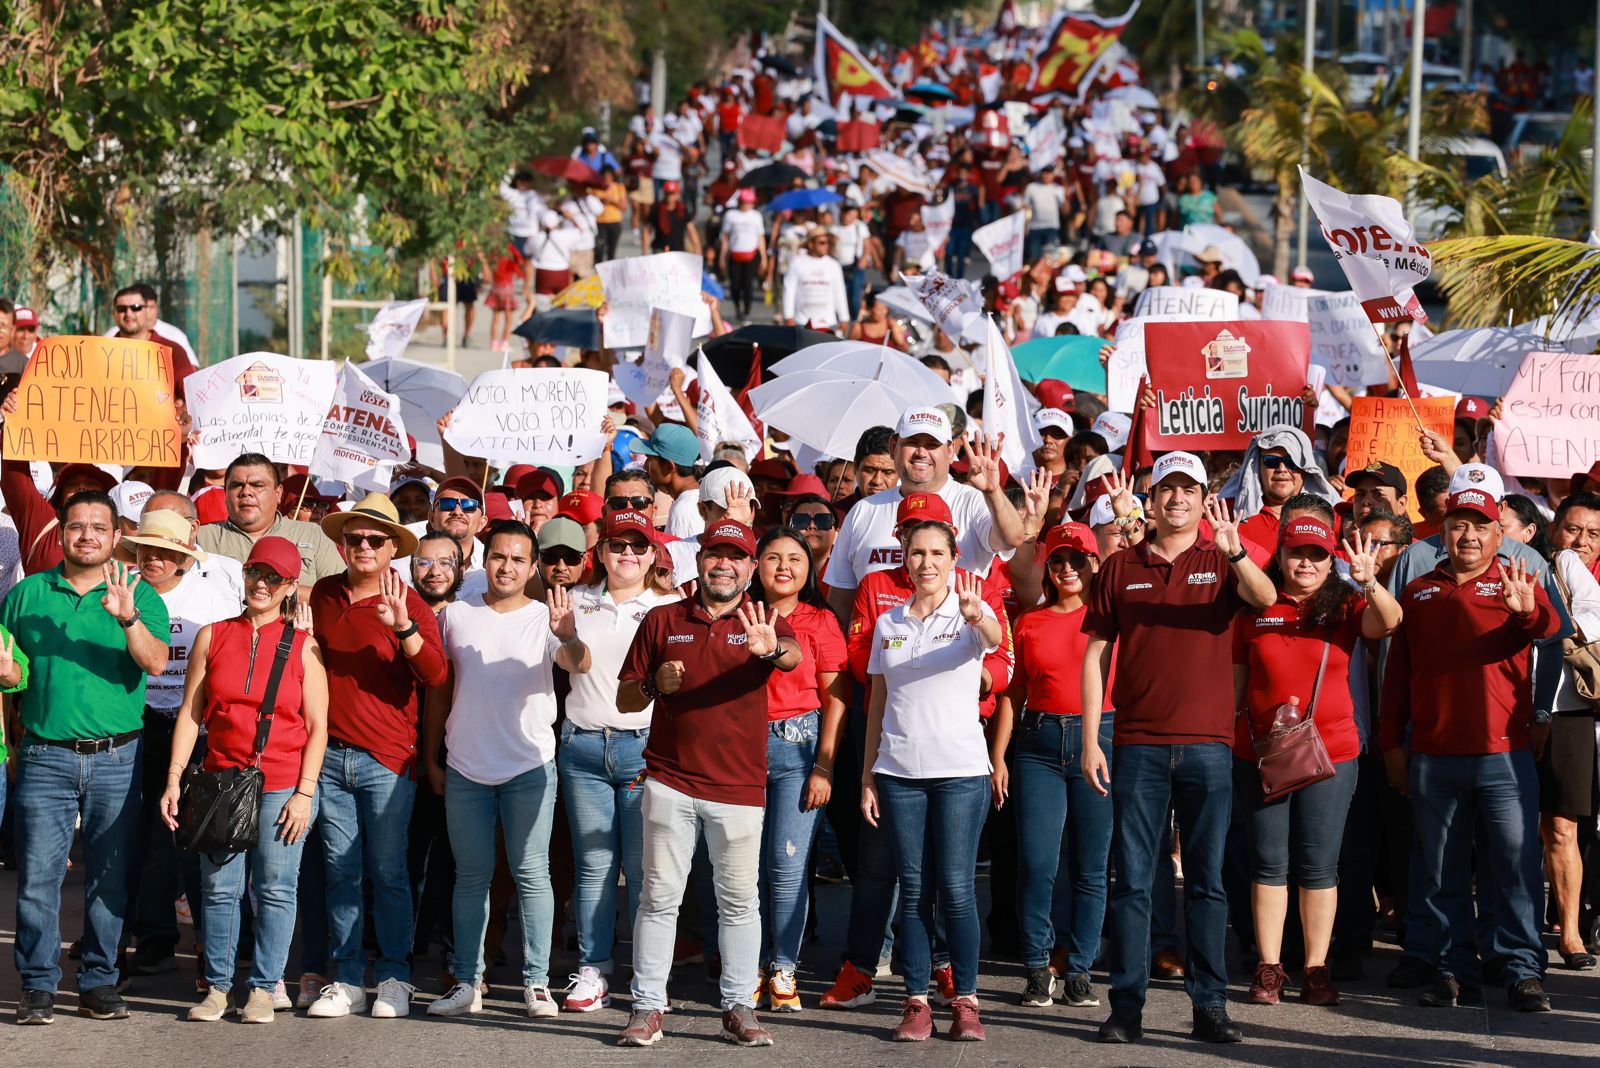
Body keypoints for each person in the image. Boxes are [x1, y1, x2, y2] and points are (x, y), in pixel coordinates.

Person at [1080, 452, 1275, 1045]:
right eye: (1167, 490)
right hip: (1136, 743)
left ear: (1202, 496)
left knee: (1209, 883)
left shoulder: (1221, 558)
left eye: (1189, 489)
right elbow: (1094, 656)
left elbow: (1266, 599)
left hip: (1209, 747)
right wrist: (1092, 737)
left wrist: (1235, 548)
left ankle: (1209, 1005)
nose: (1178, 500)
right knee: (1134, 882)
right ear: (1151, 498)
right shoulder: (1120, 566)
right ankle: (1126, 1007)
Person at [613, 521, 802, 1048]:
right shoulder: (661, 618)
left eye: (735, 556)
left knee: (740, 901)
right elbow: (626, 699)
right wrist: (654, 684)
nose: (724, 564)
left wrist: (768, 648)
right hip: (670, 781)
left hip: (739, 788)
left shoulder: (763, 618)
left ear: (749, 566)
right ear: (699, 561)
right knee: (657, 899)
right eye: (715, 555)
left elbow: (793, 657)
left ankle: (739, 1006)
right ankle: (647, 1007)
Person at [1382, 489, 1561, 1012]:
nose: (1469, 535)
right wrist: (1393, 745)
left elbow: (1548, 629)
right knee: (1441, 871)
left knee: (1516, 865)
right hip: (1434, 756)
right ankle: (1452, 969)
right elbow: (1398, 679)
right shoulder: (1417, 592)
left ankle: (1522, 970)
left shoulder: (1518, 583)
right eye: (1459, 525)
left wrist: (1527, 613)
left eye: (1480, 526)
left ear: (1498, 535)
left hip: (1505, 756)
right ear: (1443, 531)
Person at [6, 490, 167, 1025]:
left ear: (116, 536)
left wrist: (127, 620)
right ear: (62, 533)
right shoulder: (27, 594)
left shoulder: (139, 593)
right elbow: (12, 671)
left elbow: (158, 662)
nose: (88, 535)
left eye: (99, 526)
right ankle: (37, 985)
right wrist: (9, 679)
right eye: (77, 526)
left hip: (118, 758)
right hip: (43, 757)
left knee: (111, 876)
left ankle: (99, 980)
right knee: (37, 877)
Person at [424, 520, 591, 1019]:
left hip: (529, 766)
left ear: (532, 566)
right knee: (470, 877)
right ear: (484, 560)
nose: (507, 567)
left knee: (532, 874)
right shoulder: (455, 615)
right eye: (499, 556)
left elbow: (578, 665)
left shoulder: (548, 615)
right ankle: (467, 981)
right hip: (465, 766)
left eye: (519, 559)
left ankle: (537, 983)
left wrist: (571, 636)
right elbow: (439, 691)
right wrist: (431, 757)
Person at [159, 536, 328, 1022]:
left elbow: (318, 726)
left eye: (274, 577)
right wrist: (175, 778)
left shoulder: (304, 646)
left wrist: (305, 793)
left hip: (281, 783)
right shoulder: (213, 635)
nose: (261, 583)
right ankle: (216, 986)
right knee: (218, 888)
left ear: (290, 587)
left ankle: (261, 987)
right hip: (220, 780)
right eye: (256, 571)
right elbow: (192, 714)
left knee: (276, 888)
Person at [1233, 518, 1400, 1008]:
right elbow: (1236, 686)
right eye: (1296, 553)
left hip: (1332, 753)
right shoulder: (1255, 606)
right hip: (1262, 754)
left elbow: (1388, 622)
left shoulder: (1346, 604)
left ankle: (1315, 969)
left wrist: (1368, 581)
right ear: (1280, 556)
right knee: (1268, 863)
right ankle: (1269, 967)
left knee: (1319, 865)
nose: (1306, 563)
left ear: (1332, 562)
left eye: (1318, 555)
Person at [859, 519, 1003, 1042]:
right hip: (899, 774)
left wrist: (976, 617)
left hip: (962, 773)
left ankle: (965, 1000)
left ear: (952, 556)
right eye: (916, 552)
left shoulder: (971, 609)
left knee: (959, 892)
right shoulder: (888, 621)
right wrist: (868, 772)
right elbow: (878, 700)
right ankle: (916, 1000)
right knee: (914, 891)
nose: (926, 563)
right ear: (905, 555)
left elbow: (992, 638)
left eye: (937, 553)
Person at [306, 493, 447, 1020]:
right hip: (329, 758)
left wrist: (402, 627)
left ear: (393, 549)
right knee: (340, 873)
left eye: (375, 539)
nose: (363, 546)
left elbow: (436, 676)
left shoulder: (407, 601)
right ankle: (346, 979)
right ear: (341, 545)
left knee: (388, 873)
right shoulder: (321, 592)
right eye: (354, 538)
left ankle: (393, 977)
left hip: (387, 761)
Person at [557, 511, 678, 1012]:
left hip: (643, 746)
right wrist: (567, 634)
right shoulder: (575, 601)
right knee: (594, 864)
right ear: (601, 552)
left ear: (652, 556)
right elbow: (574, 662)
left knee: (646, 867)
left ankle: (649, 977)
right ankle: (594, 968)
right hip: (583, 745)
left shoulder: (670, 606)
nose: (628, 554)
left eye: (638, 546)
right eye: (618, 545)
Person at [990, 523, 1112, 1010]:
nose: (1067, 569)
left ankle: (1080, 969)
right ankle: (1038, 968)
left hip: (1098, 738)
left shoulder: (1110, 620)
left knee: (1090, 866)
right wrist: (998, 755)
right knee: (1037, 864)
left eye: (1077, 559)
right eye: (1058, 560)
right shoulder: (1030, 622)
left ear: (1093, 564)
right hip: (1038, 742)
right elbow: (1013, 693)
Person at [121, 509, 242, 979]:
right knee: (147, 836)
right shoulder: (123, 589)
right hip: (139, 722)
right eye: (146, 550)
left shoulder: (212, 596)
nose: (153, 558)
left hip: (197, 725)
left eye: (166, 552)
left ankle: (213, 948)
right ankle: (152, 937)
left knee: (200, 837)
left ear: (184, 560)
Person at [750, 526, 848, 1012]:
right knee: (741, 869)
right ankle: (748, 965)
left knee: (786, 866)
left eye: (795, 558)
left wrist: (825, 766)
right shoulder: (738, 615)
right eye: (772, 557)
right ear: (756, 565)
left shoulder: (821, 621)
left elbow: (836, 699)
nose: (784, 566)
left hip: (799, 748)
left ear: (810, 569)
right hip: (739, 750)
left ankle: (783, 964)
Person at [823, 406, 1023, 628]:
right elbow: (840, 604)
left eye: (931, 445)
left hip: (954, 654)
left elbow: (1012, 539)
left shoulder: (973, 501)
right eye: (912, 442)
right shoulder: (863, 510)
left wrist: (993, 492)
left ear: (949, 451)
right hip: (877, 657)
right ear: (893, 447)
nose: (921, 452)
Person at [1538, 493, 1600, 970]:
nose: (1581, 542)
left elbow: (1591, 620)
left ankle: (1571, 933)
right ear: (1553, 528)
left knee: (1564, 828)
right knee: (1508, 829)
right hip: (1513, 711)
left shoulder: (1584, 583)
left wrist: (1553, 623)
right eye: (1573, 530)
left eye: (1593, 535)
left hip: (1572, 711)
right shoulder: (1530, 567)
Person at [197, 454, 344, 593]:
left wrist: (276, 592)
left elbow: (336, 597)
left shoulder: (313, 535)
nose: (246, 492)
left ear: (278, 493)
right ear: (226, 493)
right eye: (236, 485)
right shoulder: (200, 538)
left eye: (257, 485)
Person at [631, 424, 703, 539]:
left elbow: (686, 557)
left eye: (649, 459)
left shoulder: (684, 510)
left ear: (669, 466)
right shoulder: (691, 501)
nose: (645, 466)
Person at [781, 227, 849, 331]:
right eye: (822, 243)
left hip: (828, 323)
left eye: (828, 243)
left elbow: (839, 292)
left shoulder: (833, 265)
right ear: (811, 244)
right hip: (802, 321)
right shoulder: (797, 263)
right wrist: (788, 316)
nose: (826, 246)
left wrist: (844, 318)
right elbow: (789, 290)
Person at [721, 188, 768, 320]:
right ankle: (737, 307)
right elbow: (725, 237)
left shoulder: (756, 216)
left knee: (748, 284)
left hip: (751, 255)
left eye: (748, 202)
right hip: (735, 253)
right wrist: (722, 257)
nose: (745, 205)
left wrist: (763, 258)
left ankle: (746, 311)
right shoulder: (731, 215)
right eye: (743, 202)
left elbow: (760, 238)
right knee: (735, 285)